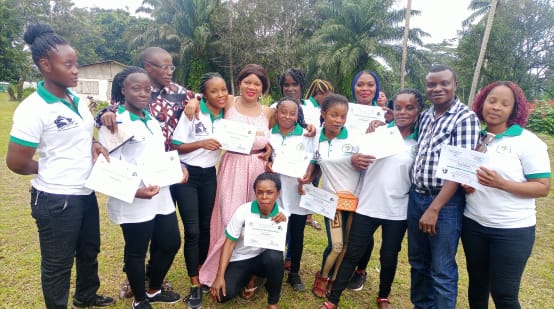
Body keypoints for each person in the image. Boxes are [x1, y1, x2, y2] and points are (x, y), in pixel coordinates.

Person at [6, 23, 114, 308]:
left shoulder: (75, 100)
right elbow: (16, 162)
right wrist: (51, 167)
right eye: (69, 64)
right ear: (45, 65)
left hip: (85, 192)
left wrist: (94, 144)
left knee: (89, 251)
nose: (76, 69)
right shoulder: (33, 109)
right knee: (58, 264)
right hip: (55, 200)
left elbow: (82, 135)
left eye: (75, 63)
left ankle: (86, 297)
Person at [98, 46, 196, 299]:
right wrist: (136, 191)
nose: (143, 93)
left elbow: (157, 155)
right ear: (123, 90)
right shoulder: (115, 122)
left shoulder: (150, 119)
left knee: (171, 241)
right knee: (137, 251)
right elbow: (105, 169)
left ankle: (154, 289)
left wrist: (179, 167)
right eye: (136, 89)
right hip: (134, 199)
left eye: (146, 89)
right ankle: (140, 300)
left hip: (160, 195)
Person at [320, 89, 424, 309]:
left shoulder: (421, 142)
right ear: (391, 110)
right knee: (352, 253)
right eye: (398, 107)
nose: (403, 112)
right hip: (367, 206)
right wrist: (355, 159)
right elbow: (351, 152)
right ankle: (333, 299)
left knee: (388, 257)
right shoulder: (378, 134)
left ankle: (383, 296)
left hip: (397, 210)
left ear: (419, 111)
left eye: (410, 108)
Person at [461, 81, 551, 308]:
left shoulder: (528, 142)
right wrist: (467, 184)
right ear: (482, 103)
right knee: (477, 285)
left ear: (514, 109)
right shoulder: (475, 138)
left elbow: (542, 187)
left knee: (503, 293)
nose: (496, 107)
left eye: (504, 104)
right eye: (492, 101)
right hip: (474, 225)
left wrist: (502, 184)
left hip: (512, 230)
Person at [408, 64, 481, 308]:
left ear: (455, 85)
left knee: (441, 268)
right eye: (431, 84)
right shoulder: (427, 115)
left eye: (444, 83)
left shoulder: (465, 118)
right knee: (418, 262)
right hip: (416, 197)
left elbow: (460, 171)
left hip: (444, 203)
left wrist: (435, 208)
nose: (437, 88)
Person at [199, 64, 275, 290]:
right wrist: (194, 102)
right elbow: (203, 99)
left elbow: (286, 130)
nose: (251, 87)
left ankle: (249, 273)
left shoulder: (268, 112)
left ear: (263, 88)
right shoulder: (229, 102)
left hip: (258, 170)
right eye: (247, 82)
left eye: (257, 83)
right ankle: (216, 270)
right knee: (227, 217)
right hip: (232, 166)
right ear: (239, 83)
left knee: (253, 219)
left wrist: (271, 146)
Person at [170, 72, 227, 309]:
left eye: (223, 89)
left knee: (206, 228)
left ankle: (203, 276)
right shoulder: (193, 112)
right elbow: (176, 145)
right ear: (204, 94)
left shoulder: (228, 112)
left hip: (209, 176)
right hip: (187, 176)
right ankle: (194, 285)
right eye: (214, 91)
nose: (221, 94)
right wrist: (202, 143)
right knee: (192, 231)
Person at [308, 94, 368, 298]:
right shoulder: (316, 139)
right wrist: (306, 179)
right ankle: (322, 277)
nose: (338, 120)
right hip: (330, 201)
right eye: (334, 115)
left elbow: (370, 159)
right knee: (337, 244)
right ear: (323, 114)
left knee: (347, 246)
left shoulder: (356, 138)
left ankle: (335, 279)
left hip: (355, 201)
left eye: (343, 116)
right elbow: (315, 164)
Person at [210, 172, 287, 309]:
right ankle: (251, 277)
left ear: (278, 193)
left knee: (274, 258)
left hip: (262, 259)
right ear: (255, 193)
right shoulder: (243, 211)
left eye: (270, 192)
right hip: (241, 258)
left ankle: (273, 302)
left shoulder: (281, 216)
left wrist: (281, 223)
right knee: (221, 296)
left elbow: (279, 249)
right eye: (260, 192)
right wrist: (219, 276)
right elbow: (229, 243)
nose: (264, 197)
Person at [267, 96, 316, 292]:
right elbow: (265, 156)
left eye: (292, 113)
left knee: (297, 235)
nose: (287, 116)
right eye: (283, 112)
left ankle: (294, 272)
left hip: (298, 193)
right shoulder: (270, 134)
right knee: (276, 233)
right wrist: (268, 165)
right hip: (277, 195)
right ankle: (274, 271)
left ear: (298, 115)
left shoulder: (306, 136)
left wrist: (309, 174)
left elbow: (314, 160)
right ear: (276, 113)